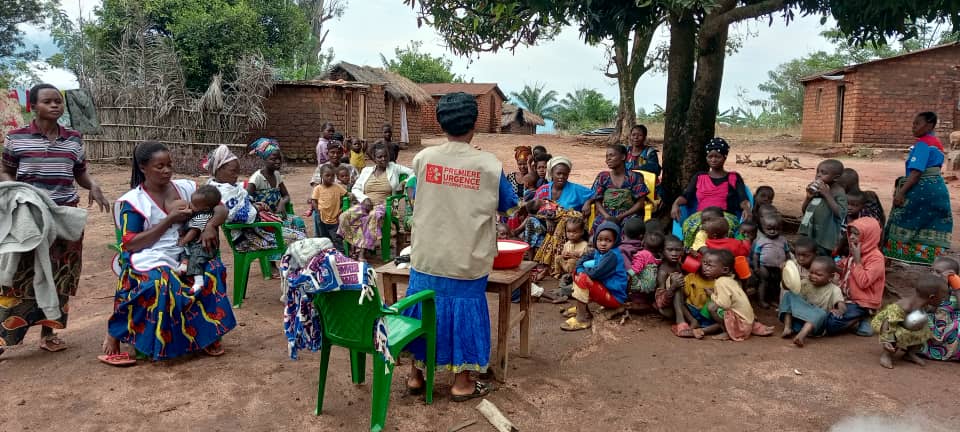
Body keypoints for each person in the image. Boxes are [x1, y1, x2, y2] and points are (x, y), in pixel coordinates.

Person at [402, 92, 518, 402]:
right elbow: (509, 206)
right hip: (467, 260)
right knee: (464, 312)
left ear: (440, 123)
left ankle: (416, 375)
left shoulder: (423, 159)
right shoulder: (490, 165)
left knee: (422, 309)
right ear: (475, 124)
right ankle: (462, 382)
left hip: (426, 256)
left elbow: (416, 193)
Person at [0, 83, 110, 356]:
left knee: (61, 273)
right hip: (28, 216)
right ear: (33, 106)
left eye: (58, 101)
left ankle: (48, 334)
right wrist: (21, 195)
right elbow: (5, 171)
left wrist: (92, 185)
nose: (54, 105)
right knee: (19, 274)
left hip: (64, 215)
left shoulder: (73, 138)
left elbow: (80, 172)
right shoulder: (17, 137)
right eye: (47, 101)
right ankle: (4, 338)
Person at [103, 141, 236, 364]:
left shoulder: (187, 188)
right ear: (143, 167)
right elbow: (131, 244)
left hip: (185, 251)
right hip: (149, 255)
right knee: (161, 282)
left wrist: (211, 224)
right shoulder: (133, 202)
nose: (167, 170)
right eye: (159, 166)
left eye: (169, 165)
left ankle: (207, 335)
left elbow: (220, 206)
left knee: (211, 270)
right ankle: (119, 331)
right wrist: (169, 220)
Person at [206, 145, 303, 260]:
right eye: (233, 171)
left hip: (254, 231)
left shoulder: (228, 187)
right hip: (246, 239)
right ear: (218, 169)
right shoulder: (222, 193)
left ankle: (291, 270)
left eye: (237, 171)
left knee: (297, 230)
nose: (236, 175)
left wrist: (254, 205)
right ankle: (292, 272)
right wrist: (256, 209)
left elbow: (243, 204)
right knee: (299, 239)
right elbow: (236, 216)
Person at [883, 111, 953, 265]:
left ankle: (895, 257)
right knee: (930, 221)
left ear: (929, 125)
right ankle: (931, 258)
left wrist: (901, 193)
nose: (913, 127)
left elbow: (916, 172)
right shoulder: (937, 143)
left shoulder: (922, 144)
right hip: (938, 189)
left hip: (922, 189)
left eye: (917, 124)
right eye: (913, 124)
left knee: (904, 219)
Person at [337, 142, 414, 262]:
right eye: (380, 157)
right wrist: (364, 199)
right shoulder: (366, 171)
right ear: (374, 158)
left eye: (385, 156)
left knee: (373, 215)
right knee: (344, 216)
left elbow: (413, 172)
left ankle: (361, 253)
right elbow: (355, 188)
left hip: (385, 206)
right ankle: (353, 249)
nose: (383, 159)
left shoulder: (394, 168)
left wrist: (404, 183)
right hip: (366, 204)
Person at [671, 138, 751, 247]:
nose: (713, 160)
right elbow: (686, 196)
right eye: (710, 156)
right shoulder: (699, 176)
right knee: (690, 227)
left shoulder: (734, 177)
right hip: (702, 215)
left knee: (721, 228)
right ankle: (691, 254)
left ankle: (722, 256)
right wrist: (675, 204)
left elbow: (743, 199)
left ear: (724, 157)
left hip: (724, 215)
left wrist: (746, 208)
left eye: (717, 156)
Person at [530, 156, 594, 277]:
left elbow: (595, 193)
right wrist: (547, 218)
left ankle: (549, 265)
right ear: (551, 173)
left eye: (565, 174)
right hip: (545, 222)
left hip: (567, 225)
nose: (561, 177)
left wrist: (588, 202)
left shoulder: (575, 189)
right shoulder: (543, 190)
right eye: (558, 173)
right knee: (531, 221)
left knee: (564, 222)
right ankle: (530, 260)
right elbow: (534, 209)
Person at [559, 221, 628, 331]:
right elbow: (583, 258)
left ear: (615, 241)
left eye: (608, 240)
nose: (603, 243)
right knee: (577, 272)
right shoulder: (598, 251)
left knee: (583, 278)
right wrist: (580, 269)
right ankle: (582, 309)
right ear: (596, 239)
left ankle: (582, 319)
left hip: (615, 297)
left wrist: (581, 271)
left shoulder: (612, 256)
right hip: (606, 289)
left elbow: (595, 273)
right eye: (600, 240)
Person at [871, 273, 947, 369]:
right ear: (931, 297)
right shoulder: (905, 306)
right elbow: (888, 322)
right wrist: (886, 340)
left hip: (904, 324)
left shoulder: (924, 303)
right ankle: (886, 355)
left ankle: (909, 353)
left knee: (924, 331)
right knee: (896, 334)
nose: (943, 300)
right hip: (887, 323)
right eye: (942, 297)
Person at [825, 218, 885, 337]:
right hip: (847, 297)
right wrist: (829, 265)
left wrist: (858, 261)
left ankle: (865, 315)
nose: (851, 237)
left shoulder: (876, 258)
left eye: (856, 234)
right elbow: (844, 268)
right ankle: (860, 319)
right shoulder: (856, 252)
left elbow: (864, 282)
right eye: (851, 233)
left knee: (831, 323)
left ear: (869, 236)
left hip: (862, 302)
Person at [703, 249, 773, 341]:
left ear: (725, 270)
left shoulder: (721, 282)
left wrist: (711, 295)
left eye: (710, 266)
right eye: (704, 263)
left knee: (711, 307)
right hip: (749, 321)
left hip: (742, 326)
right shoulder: (731, 280)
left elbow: (725, 304)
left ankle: (728, 331)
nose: (705, 268)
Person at [246, 138, 307, 238]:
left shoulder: (277, 175)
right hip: (263, 220)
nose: (278, 161)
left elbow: (286, 195)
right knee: (294, 235)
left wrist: (282, 203)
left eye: (279, 158)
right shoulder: (256, 178)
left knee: (298, 222)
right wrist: (260, 208)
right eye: (273, 159)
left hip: (277, 216)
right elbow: (247, 201)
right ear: (264, 159)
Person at [778, 256, 843, 347]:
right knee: (789, 294)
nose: (813, 276)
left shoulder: (834, 289)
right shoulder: (805, 282)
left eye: (818, 274)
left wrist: (840, 310)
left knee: (822, 313)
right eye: (811, 272)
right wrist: (784, 272)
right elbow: (787, 287)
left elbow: (841, 304)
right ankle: (788, 327)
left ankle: (801, 336)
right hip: (797, 322)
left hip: (816, 326)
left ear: (830, 277)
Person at [585, 144, 649, 233]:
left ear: (623, 157)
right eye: (606, 156)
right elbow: (597, 200)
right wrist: (607, 217)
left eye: (611, 155)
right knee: (599, 231)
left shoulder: (634, 177)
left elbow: (640, 203)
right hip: (606, 214)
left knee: (631, 230)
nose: (608, 159)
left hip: (629, 214)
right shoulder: (603, 177)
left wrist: (621, 216)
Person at [176, 185, 222, 293]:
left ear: (205, 208)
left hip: (202, 247)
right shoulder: (198, 212)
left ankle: (199, 281)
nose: (190, 205)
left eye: (194, 204)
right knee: (186, 252)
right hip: (194, 244)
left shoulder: (203, 216)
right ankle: (183, 265)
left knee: (195, 260)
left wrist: (183, 241)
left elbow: (194, 231)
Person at [799, 159, 847, 256]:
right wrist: (808, 198)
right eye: (817, 172)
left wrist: (827, 194)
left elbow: (841, 214)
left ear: (836, 178)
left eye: (824, 173)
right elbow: (805, 211)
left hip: (824, 237)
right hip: (809, 232)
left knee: (821, 257)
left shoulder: (838, 192)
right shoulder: (817, 190)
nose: (818, 175)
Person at [924, 256, 960, 361]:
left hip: (951, 329)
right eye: (931, 270)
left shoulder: (957, 290)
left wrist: (956, 287)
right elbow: (928, 308)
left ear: (952, 275)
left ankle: (951, 353)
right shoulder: (929, 287)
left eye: (938, 272)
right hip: (934, 327)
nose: (933, 274)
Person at [754, 213, 789, 308]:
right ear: (763, 228)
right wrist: (756, 267)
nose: (773, 231)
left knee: (776, 284)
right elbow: (756, 255)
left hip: (779, 267)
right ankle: (761, 300)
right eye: (769, 229)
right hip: (764, 266)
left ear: (781, 228)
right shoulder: (761, 240)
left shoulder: (783, 240)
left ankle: (773, 300)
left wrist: (789, 263)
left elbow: (787, 252)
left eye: (776, 229)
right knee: (763, 282)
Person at [310, 165, 348, 251]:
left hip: (335, 219)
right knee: (324, 239)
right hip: (322, 218)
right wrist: (318, 212)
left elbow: (346, 196)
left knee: (337, 238)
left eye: (332, 176)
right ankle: (327, 255)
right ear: (321, 176)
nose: (330, 178)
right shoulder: (318, 188)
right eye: (327, 175)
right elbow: (314, 201)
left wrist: (341, 208)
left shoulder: (337, 187)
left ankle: (341, 255)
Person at [655, 235, 685, 320]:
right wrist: (673, 287)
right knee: (675, 279)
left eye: (678, 250)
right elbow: (660, 301)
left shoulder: (680, 265)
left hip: (683, 305)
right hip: (669, 308)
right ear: (662, 251)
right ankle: (682, 321)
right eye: (670, 250)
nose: (674, 254)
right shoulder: (663, 272)